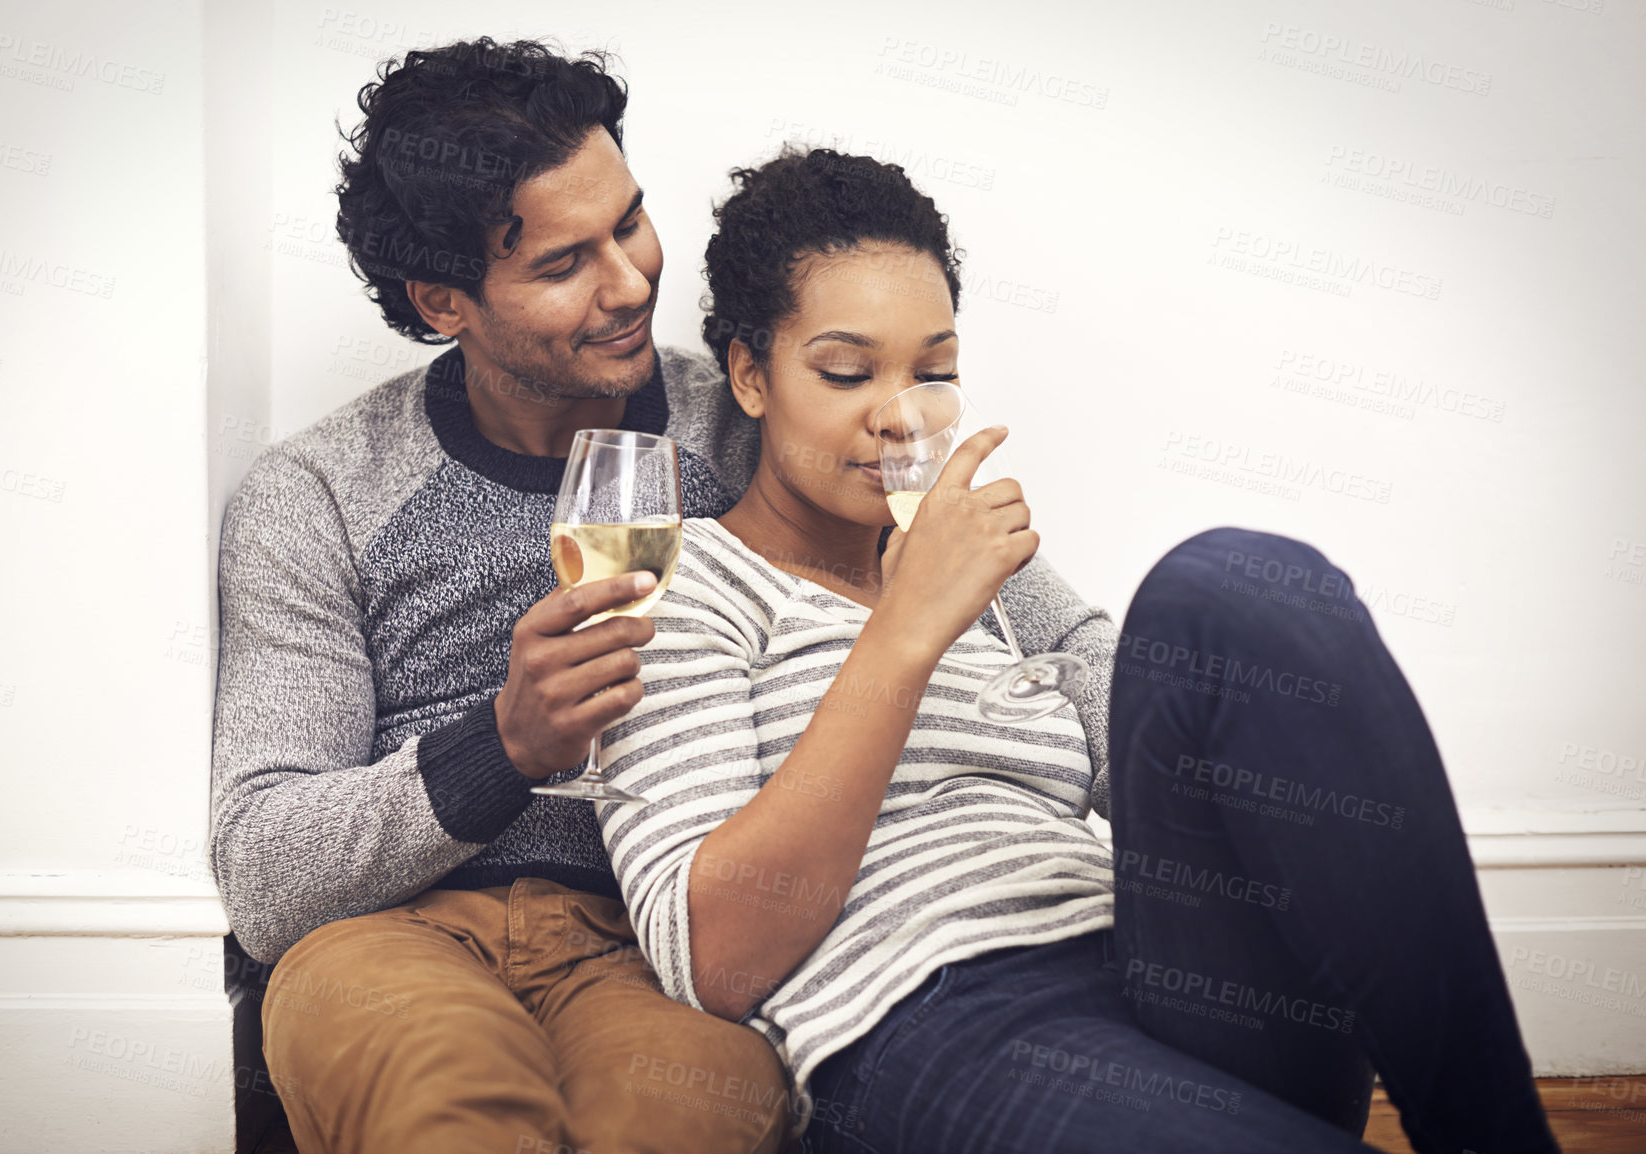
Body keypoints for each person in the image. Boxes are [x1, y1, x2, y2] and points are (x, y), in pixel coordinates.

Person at [209, 40, 1109, 1154]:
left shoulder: (755, 413)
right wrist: (502, 744)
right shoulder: (320, 494)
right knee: (449, 1109)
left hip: (650, 938)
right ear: (444, 300)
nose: (632, 283)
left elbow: (1042, 627)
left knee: (684, 1115)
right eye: (561, 263)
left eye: (628, 222)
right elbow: (263, 868)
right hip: (392, 933)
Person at [594, 148, 1562, 1153]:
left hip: (1152, 965)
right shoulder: (679, 577)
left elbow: (1162, 734)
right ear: (750, 376)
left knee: (1224, 586)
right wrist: (906, 626)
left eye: (933, 370)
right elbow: (714, 956)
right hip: (928, 1016)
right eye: (846, 370)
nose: (900, 413)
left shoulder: (980, 563)